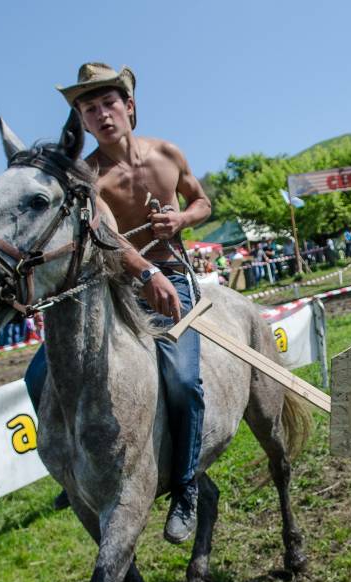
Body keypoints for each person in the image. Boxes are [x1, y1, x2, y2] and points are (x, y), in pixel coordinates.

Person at [25, 62, 212, 543]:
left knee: (184, 381)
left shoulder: (167, 153)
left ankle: (186, 485)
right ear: (82, 121)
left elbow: (203, 202)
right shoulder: (87, 176)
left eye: (109, 103)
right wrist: (144, 272)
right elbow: (107, 235)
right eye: (90, 109)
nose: (102, 114)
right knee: (37, 374)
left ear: (128, 106)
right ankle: (72, 465)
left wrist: (181, 221)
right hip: (117, 288)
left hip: (173, 277)